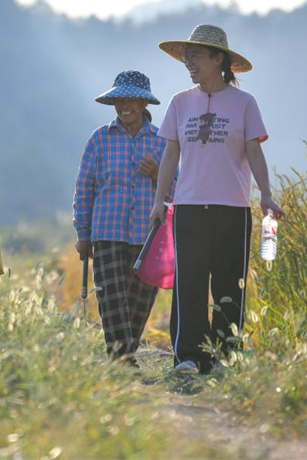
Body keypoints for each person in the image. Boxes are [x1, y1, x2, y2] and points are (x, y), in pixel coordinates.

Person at [149, 24, 285, 375]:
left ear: (217, 58)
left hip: (233, 208)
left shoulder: (244, 103)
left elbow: (253, 151)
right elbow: (170, 155)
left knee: (229, 284)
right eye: (186, 56)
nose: (188, 62)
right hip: (189, 207)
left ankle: (225, 358)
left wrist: (266, 194)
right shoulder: (180, 103)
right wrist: (159, 201)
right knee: (190, 283)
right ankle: (189, 359)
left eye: (195, 56)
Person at [73, 70, 175, 368]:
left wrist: (158, 174)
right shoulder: (99, 139)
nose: (124, 106)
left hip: (147, 235)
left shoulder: (161, 141)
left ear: (144, 104)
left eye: (132, 100)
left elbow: (179, 188)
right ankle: (122, 362)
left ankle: (121, 359)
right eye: (119, 100)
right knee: (111, 299)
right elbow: (84, 186)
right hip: (106, 232)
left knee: (140, 303)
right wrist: (83, 232)